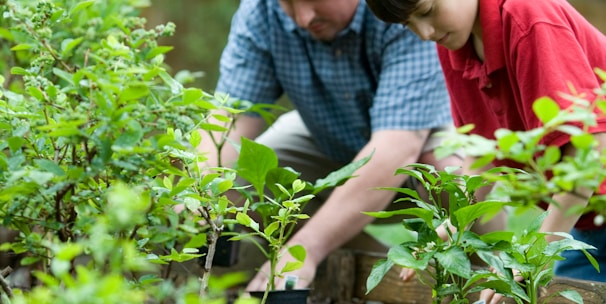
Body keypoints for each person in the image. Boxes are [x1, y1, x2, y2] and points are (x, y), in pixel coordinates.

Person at [197, 0, 474, 292]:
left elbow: (396, 147)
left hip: (419, 132)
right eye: (288, 4)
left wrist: (306, 248)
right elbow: (230, 118)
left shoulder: (400, 8)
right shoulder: (261, 11)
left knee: (450, 178)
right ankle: (363, 267)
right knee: (242, 181)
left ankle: (495, 271)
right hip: (325, 133)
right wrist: (195, 192)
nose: (303, 19)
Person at [366, 0, 606, 301]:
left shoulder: (527, 17)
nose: (424, 33)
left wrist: (530, 255)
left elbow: (589, 151)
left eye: (427, 12)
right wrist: (454, 226)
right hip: (588, 224)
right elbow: (481, 153)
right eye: (408, 24)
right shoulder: (456, 44)